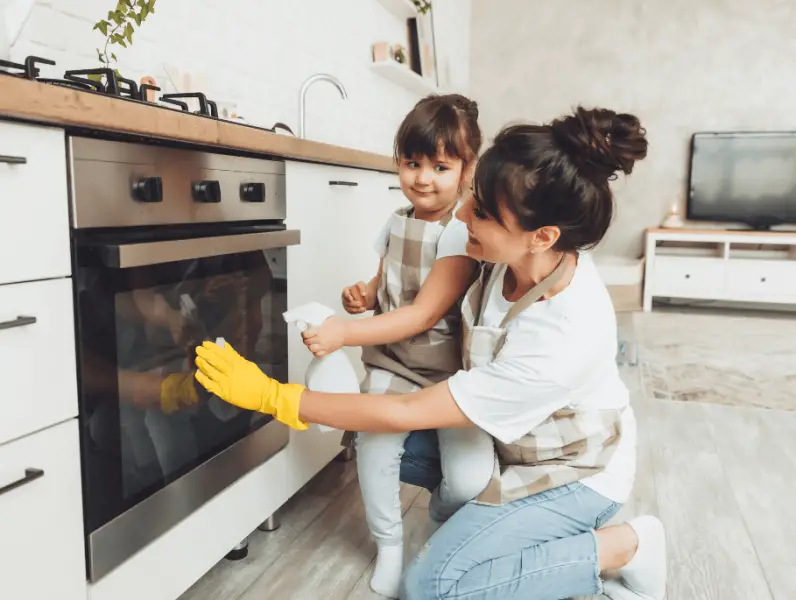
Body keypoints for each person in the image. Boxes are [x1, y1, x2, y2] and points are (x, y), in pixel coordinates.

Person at [194, 105, 667, 600]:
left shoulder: (564, 332)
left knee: (433, 587)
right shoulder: (519, 253)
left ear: (542, 237)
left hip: (573, 469)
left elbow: (408, 409)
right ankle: (508, 537)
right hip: (507, 441)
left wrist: (275, 397)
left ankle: (626, 547)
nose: (461, 216)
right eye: (473, 198)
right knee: (367, 438)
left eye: (480, 211)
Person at [298, 93, 495, 598]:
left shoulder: (461, 233)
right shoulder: (396, 219)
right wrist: (363, 295)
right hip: (394, 363)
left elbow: (423, 313)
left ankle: (443, 518)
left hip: (451, 374)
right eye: (412, 163)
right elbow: (388, 284)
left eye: (440, 166)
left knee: (470, 478)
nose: (423, 177)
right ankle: (388, 542)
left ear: (466, 170)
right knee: (373, 446)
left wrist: (342, 331)